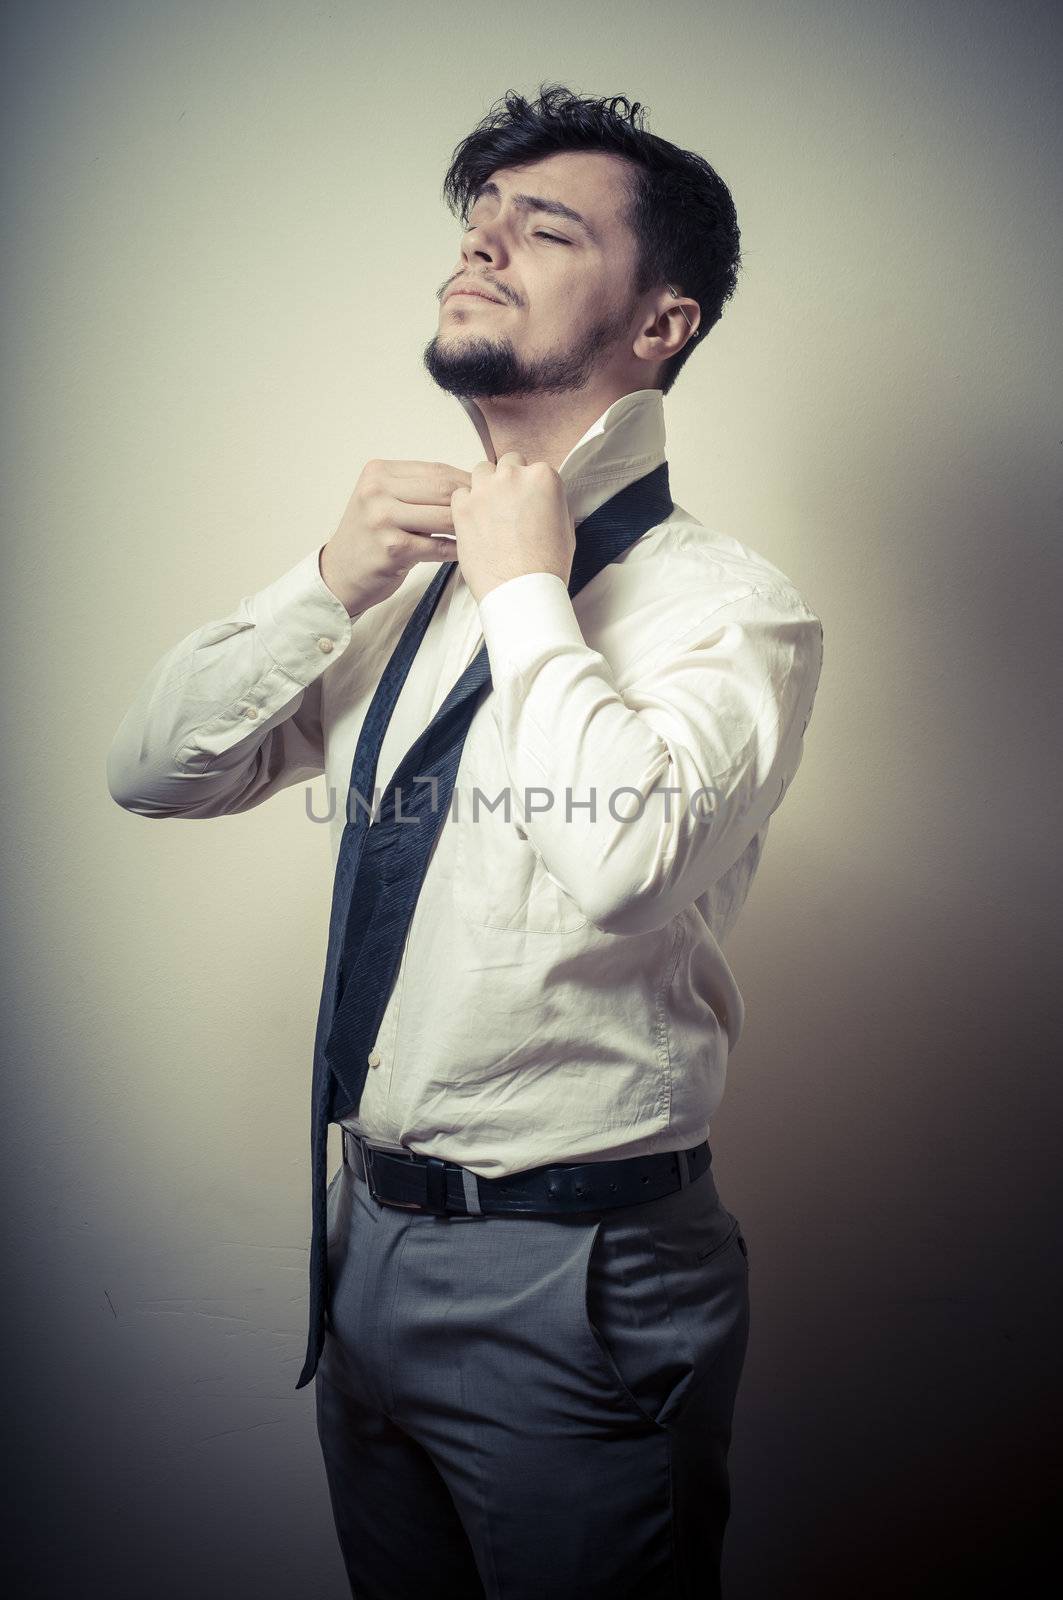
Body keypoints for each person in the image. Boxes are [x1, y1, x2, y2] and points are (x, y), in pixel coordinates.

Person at [107, 83, 823, 1600]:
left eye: (545, 228)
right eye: (476, 224)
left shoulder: (729, 609)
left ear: (663, 324)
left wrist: (522, 592)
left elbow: (622, 858)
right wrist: (323, 578)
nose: (479, 251)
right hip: (361, 1245)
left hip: (577, 1278)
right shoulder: (408, 597)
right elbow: (155, 773)